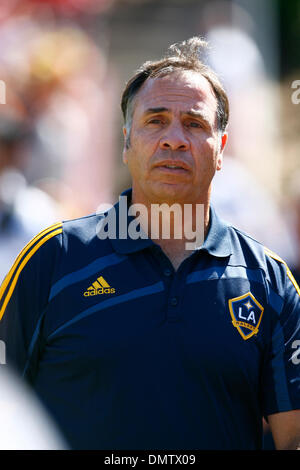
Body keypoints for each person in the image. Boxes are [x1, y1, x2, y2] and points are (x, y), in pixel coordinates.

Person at [0, 37, 299, 451]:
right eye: (155, 120)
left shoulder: (269, 281)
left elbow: (293, 439)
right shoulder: (54, 257)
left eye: (194, 123)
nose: (174, 138)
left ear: (221, 150)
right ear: (126, 141)